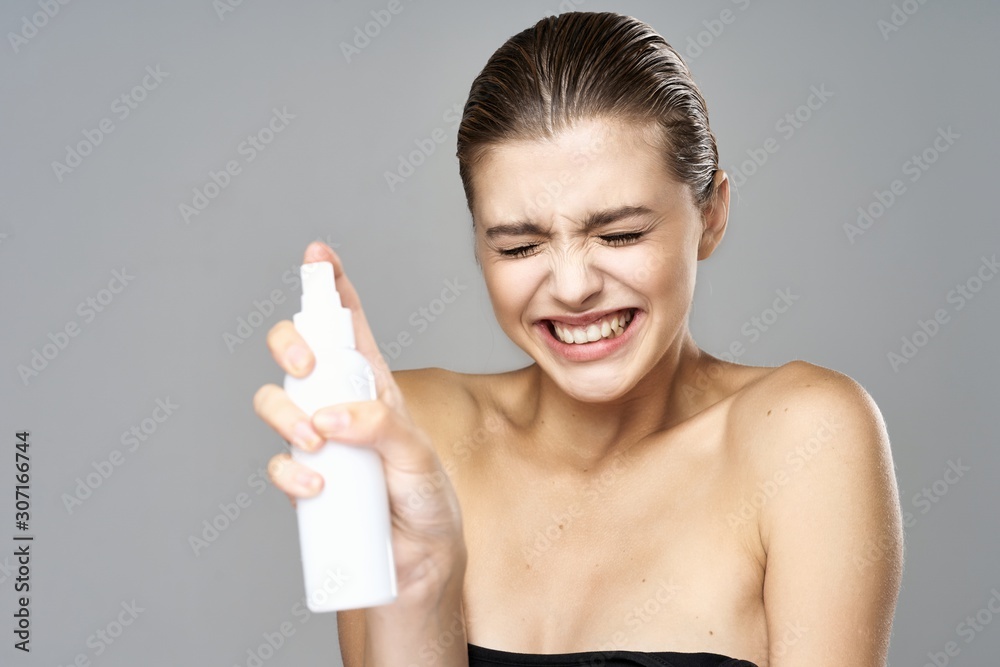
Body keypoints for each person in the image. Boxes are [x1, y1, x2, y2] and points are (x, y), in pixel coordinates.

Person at [253, 11, 904, 667]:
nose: (571, 287)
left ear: (711, 214)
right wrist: (421, 586)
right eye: (520, 246)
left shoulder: (803, 437)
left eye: (620, 235)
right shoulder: (414, 433)